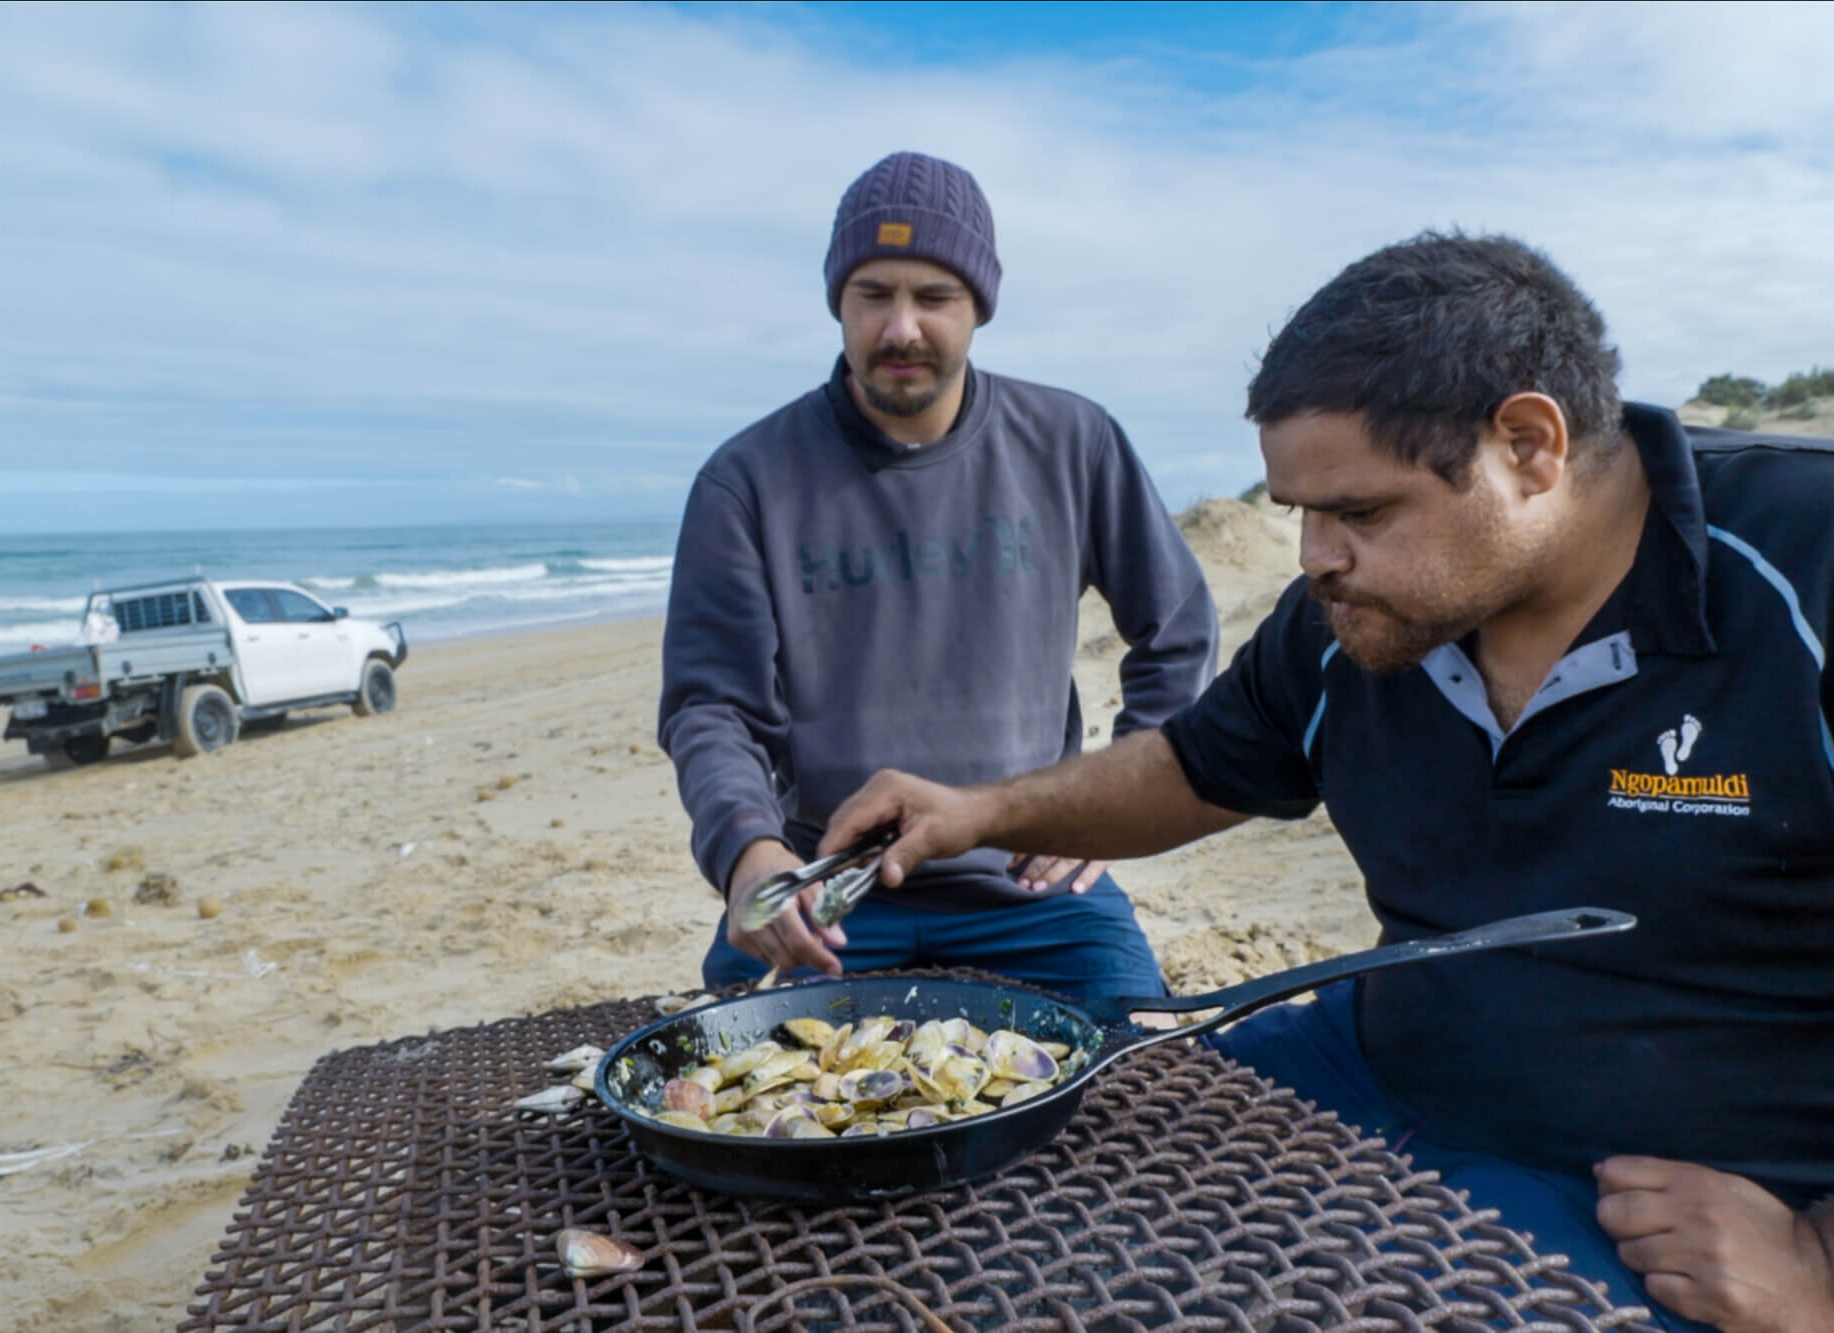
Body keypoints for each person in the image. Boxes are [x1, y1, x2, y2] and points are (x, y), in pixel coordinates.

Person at [819, 232, 1834, 1333]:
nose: (1313, 558)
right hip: (1375, 1059)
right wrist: (977, 810)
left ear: (1528, 447)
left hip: (1672, 1188)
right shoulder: (1355, 613)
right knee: (1021, 1160)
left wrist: (1816, 1267)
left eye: (1358, 512)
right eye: (1295, 511)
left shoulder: (1799, 569)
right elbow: (1198, 765)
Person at [657, 150, 1218, 1001]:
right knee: (741, 1099)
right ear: (838, 302)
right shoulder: (746, 481)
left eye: (934, 297)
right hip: (829, 897)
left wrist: (1113, 804)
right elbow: (712, 705)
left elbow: (1177, 627)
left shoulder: (1074, 443)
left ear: (980, 306)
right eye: (873, 294)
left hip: (1030, 891)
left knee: (1140, 1071)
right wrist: (750, 851)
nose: (901, 329)